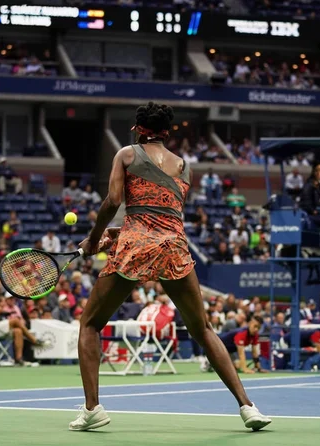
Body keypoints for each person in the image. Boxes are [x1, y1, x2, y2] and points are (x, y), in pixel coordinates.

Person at [69, 102, 271, 431]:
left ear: (137, 127)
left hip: (136, 247)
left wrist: (94, 239)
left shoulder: (126, 155)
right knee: (203, 329)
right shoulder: (183, 166)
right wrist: (117, 234)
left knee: (90, 324)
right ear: (167, 131)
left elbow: (114, 201)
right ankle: (248, 407)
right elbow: (164, 218)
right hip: (174, 248)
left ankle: (93, 409)